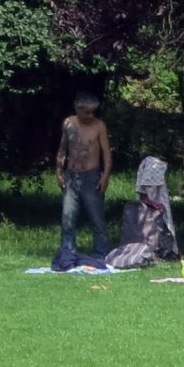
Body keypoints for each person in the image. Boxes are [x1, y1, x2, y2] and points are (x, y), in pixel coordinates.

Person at [52, 91, 112, 271]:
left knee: (97, 219)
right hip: (72, 176)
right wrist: (59, 171)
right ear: (78, 109)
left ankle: (101, 256)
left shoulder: (99, 126)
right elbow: (63, 148)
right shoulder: (68, 123)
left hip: (91, 176)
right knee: (68, 218)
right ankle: (68, 255)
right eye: (87, 112)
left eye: (93, 112)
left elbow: (107, 153)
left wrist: (105, 176)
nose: (90, 115)